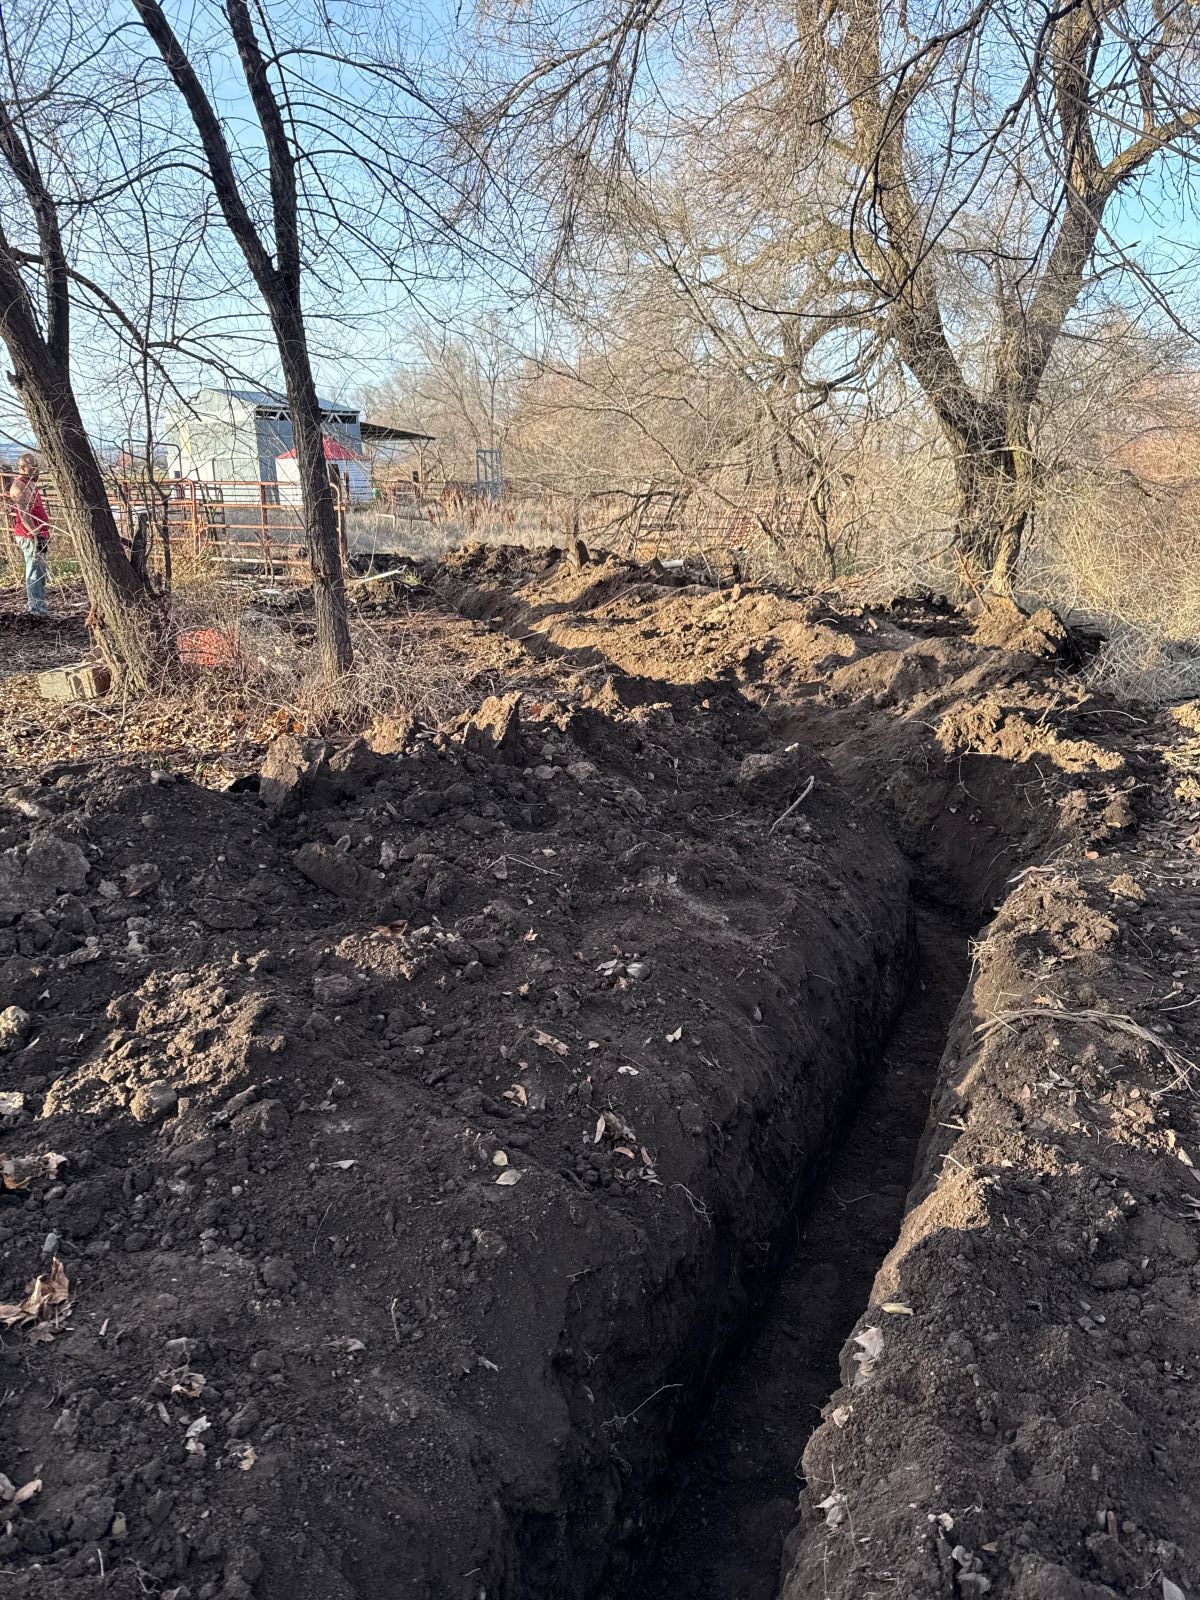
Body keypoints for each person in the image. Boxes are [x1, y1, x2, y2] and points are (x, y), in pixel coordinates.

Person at [9, 452, 50, 617]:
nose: (36, 469)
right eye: (33, 466)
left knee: (40, 571)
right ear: (23, 467)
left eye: (36, 466)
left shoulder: (30, 483)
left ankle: (40, 607)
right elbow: (24, 514)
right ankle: (35, 609)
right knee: (34, 571)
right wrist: (36, 535)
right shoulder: (19, 486)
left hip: (40, 533)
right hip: (29, 535)